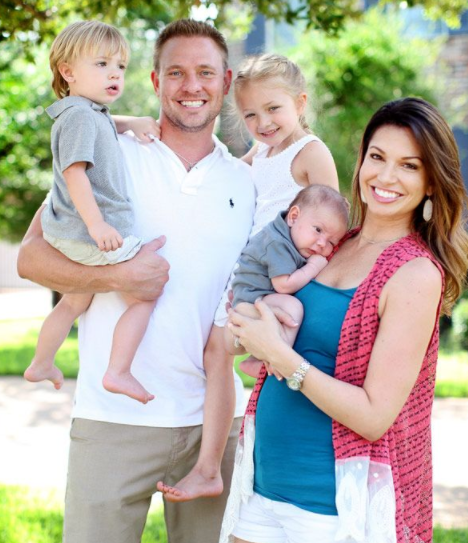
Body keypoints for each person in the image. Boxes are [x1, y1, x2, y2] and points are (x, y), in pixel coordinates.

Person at [17, 19, 255, 543]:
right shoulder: (108, 148)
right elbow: (31, 258)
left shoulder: (247, 180)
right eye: (176, 72)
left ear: (226, 80)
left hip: (215, 428)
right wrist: (122, 274)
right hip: (112, 422)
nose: (191, 86)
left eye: (205, 73)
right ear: (154, 81)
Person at [221, 97, 468, 543]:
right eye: (377, 157)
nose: (386, 177)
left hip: (330, 509)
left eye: (409, 166)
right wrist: (249, 321)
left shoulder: (414, 273)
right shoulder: (333, 243)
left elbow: (375, 415)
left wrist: (277, 354)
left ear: (432, 182)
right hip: (263, 488)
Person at [156, 52, 340, 502]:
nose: (263, 122)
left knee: (220, 349)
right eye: (251, 114)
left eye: (273, 109)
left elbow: (335, 221)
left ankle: (207, 468)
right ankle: (211, 465)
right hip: (254, 270)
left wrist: (316, 272)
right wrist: (143, 128)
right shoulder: (260, 152)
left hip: (284, 274)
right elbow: (222, 169)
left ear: (300, 101)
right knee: (215, 352)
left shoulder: (309, 151)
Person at [23, 20, 161, 404]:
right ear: (68, 72)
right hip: (88, 232)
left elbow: (102, 126)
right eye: (101, 64)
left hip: (70, 231)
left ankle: (41, 362)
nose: (114, 72)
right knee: (146, 289)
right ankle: (118, 371)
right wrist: (97, 224)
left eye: (119, 65)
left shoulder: (85, 113)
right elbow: (75, 172)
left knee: (74, 300)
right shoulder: (82, 117)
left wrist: (130, 122)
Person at [227, 185, 348, 363]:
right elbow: (283, 285)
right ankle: (278, 359)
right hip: (252, 297)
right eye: (318, 230)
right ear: (293, 217)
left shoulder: (291, 239)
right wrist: (312, 268)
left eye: (331, 241)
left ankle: (257, 359)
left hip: (259, 296)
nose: (322, 243)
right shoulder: (277, 242)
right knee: (293, 308)